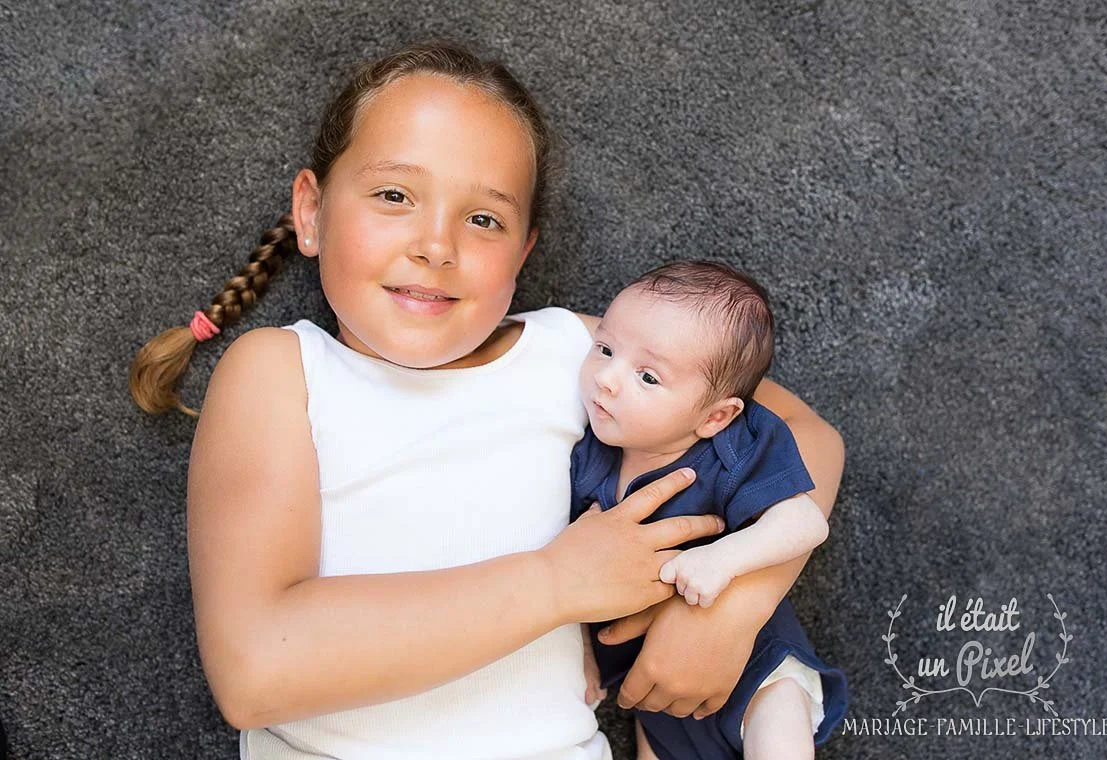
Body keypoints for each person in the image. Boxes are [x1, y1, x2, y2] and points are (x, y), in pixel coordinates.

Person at [129, 41, 845, 759]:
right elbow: (256, 669)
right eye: (394, 196)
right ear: (311, 212)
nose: (435, 245)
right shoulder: (281, 373)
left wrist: (731, 613)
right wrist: (555, 583)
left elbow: (808, 439)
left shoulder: (583, 360)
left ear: (523, 254)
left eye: (483, 220)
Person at [571, 261, 848, 760]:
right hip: (653, 688)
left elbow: (805, 522)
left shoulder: (733, 450)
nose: (607, 379)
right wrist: (580, 656)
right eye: (605, 349)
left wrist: (720, 561)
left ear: (715, 416)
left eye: (648, 377)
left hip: (758, 660)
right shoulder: (586, 456)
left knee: (778, 725)